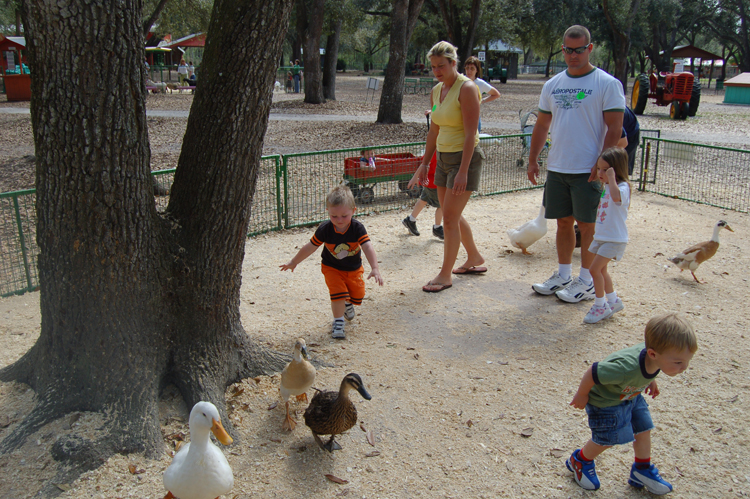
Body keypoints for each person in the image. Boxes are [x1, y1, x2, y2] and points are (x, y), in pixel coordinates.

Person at [528, 25, 625, 304]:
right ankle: (563, 274)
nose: (573, 55)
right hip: (558, 165)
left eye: (579, 50)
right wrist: (534, 159)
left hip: (588, 168)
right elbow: (542, 124)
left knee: (588, 226)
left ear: (589, 49)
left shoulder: (606, 83)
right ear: (563, 49)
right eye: (568, 50)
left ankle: (587, 281)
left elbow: (615, 127)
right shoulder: (553, 84)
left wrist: (602, 165)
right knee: (562, 223)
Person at [567, 313, 697, 494]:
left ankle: (641, 468)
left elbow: (647, 368)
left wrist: (650, 380)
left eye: (687, 361)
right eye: (678, 362)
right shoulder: (625, 369)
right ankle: (580, 460)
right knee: (609, 438)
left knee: (643, 428)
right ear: (652, 353)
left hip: (630, 395)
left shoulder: (656, 357)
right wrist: (582, 395)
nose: (684, 367)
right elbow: (594, 371)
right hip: (606, 402)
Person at [409, 41, 485, 292]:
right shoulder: (436, 90)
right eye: (433, 67)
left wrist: (463, 170)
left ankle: (445, 275)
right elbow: (435, 129)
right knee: (449, 212)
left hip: (465, 159)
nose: (437, 71)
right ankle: (474, 257)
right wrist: (424, 164)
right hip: (442, 158)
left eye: (442, 66)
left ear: (454, 63)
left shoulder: (468, 88)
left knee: (449, 219)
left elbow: (470, 133)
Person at [280, 184, 383, 339]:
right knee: (337, 295)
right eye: (334, 216)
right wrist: (294, 261)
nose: (339, 220)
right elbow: (310, 247)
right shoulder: (325, 229)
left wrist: (375, 267)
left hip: (353, 268)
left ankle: (348, 303)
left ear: (353, 211)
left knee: (358, 295)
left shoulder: (357, 228)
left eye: (344, 216)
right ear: (328, 211)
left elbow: (367, 247)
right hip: (331, 268)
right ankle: (338, 322)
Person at [584, 147, 630, 324]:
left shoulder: (622, 188)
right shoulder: (606, 187)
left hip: (614, 239)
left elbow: (617, 199)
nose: (600, 173)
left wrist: (611, 179)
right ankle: (613, 301)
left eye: (605, 169)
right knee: (601, 270)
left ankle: (600, 305)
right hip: (602, 237)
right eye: (599, 169)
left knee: (594, 269)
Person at [403, 145, 444, 240]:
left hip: (430, 181)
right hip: (434, 183)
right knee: (441, 205)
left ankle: (411, 219)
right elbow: (424, 164)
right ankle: (437, 227)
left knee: (423, 200)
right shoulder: (436, 150)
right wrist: (415, 177)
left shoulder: (438, 148)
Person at [463, 56, 501, 133]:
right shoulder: (459, 81)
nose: (469, 71)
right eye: (467, 68)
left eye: (472, 68)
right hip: (460, 116)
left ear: (477, 70)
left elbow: (496, 94)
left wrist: (482, 101)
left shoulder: (480, 83)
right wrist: (433, 109)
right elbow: (436, 104)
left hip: (474, 117)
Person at [623, 107, 641, 175]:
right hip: (627, 129)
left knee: (623, 163)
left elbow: (623, 143)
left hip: (631, 134)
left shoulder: (616, 111)